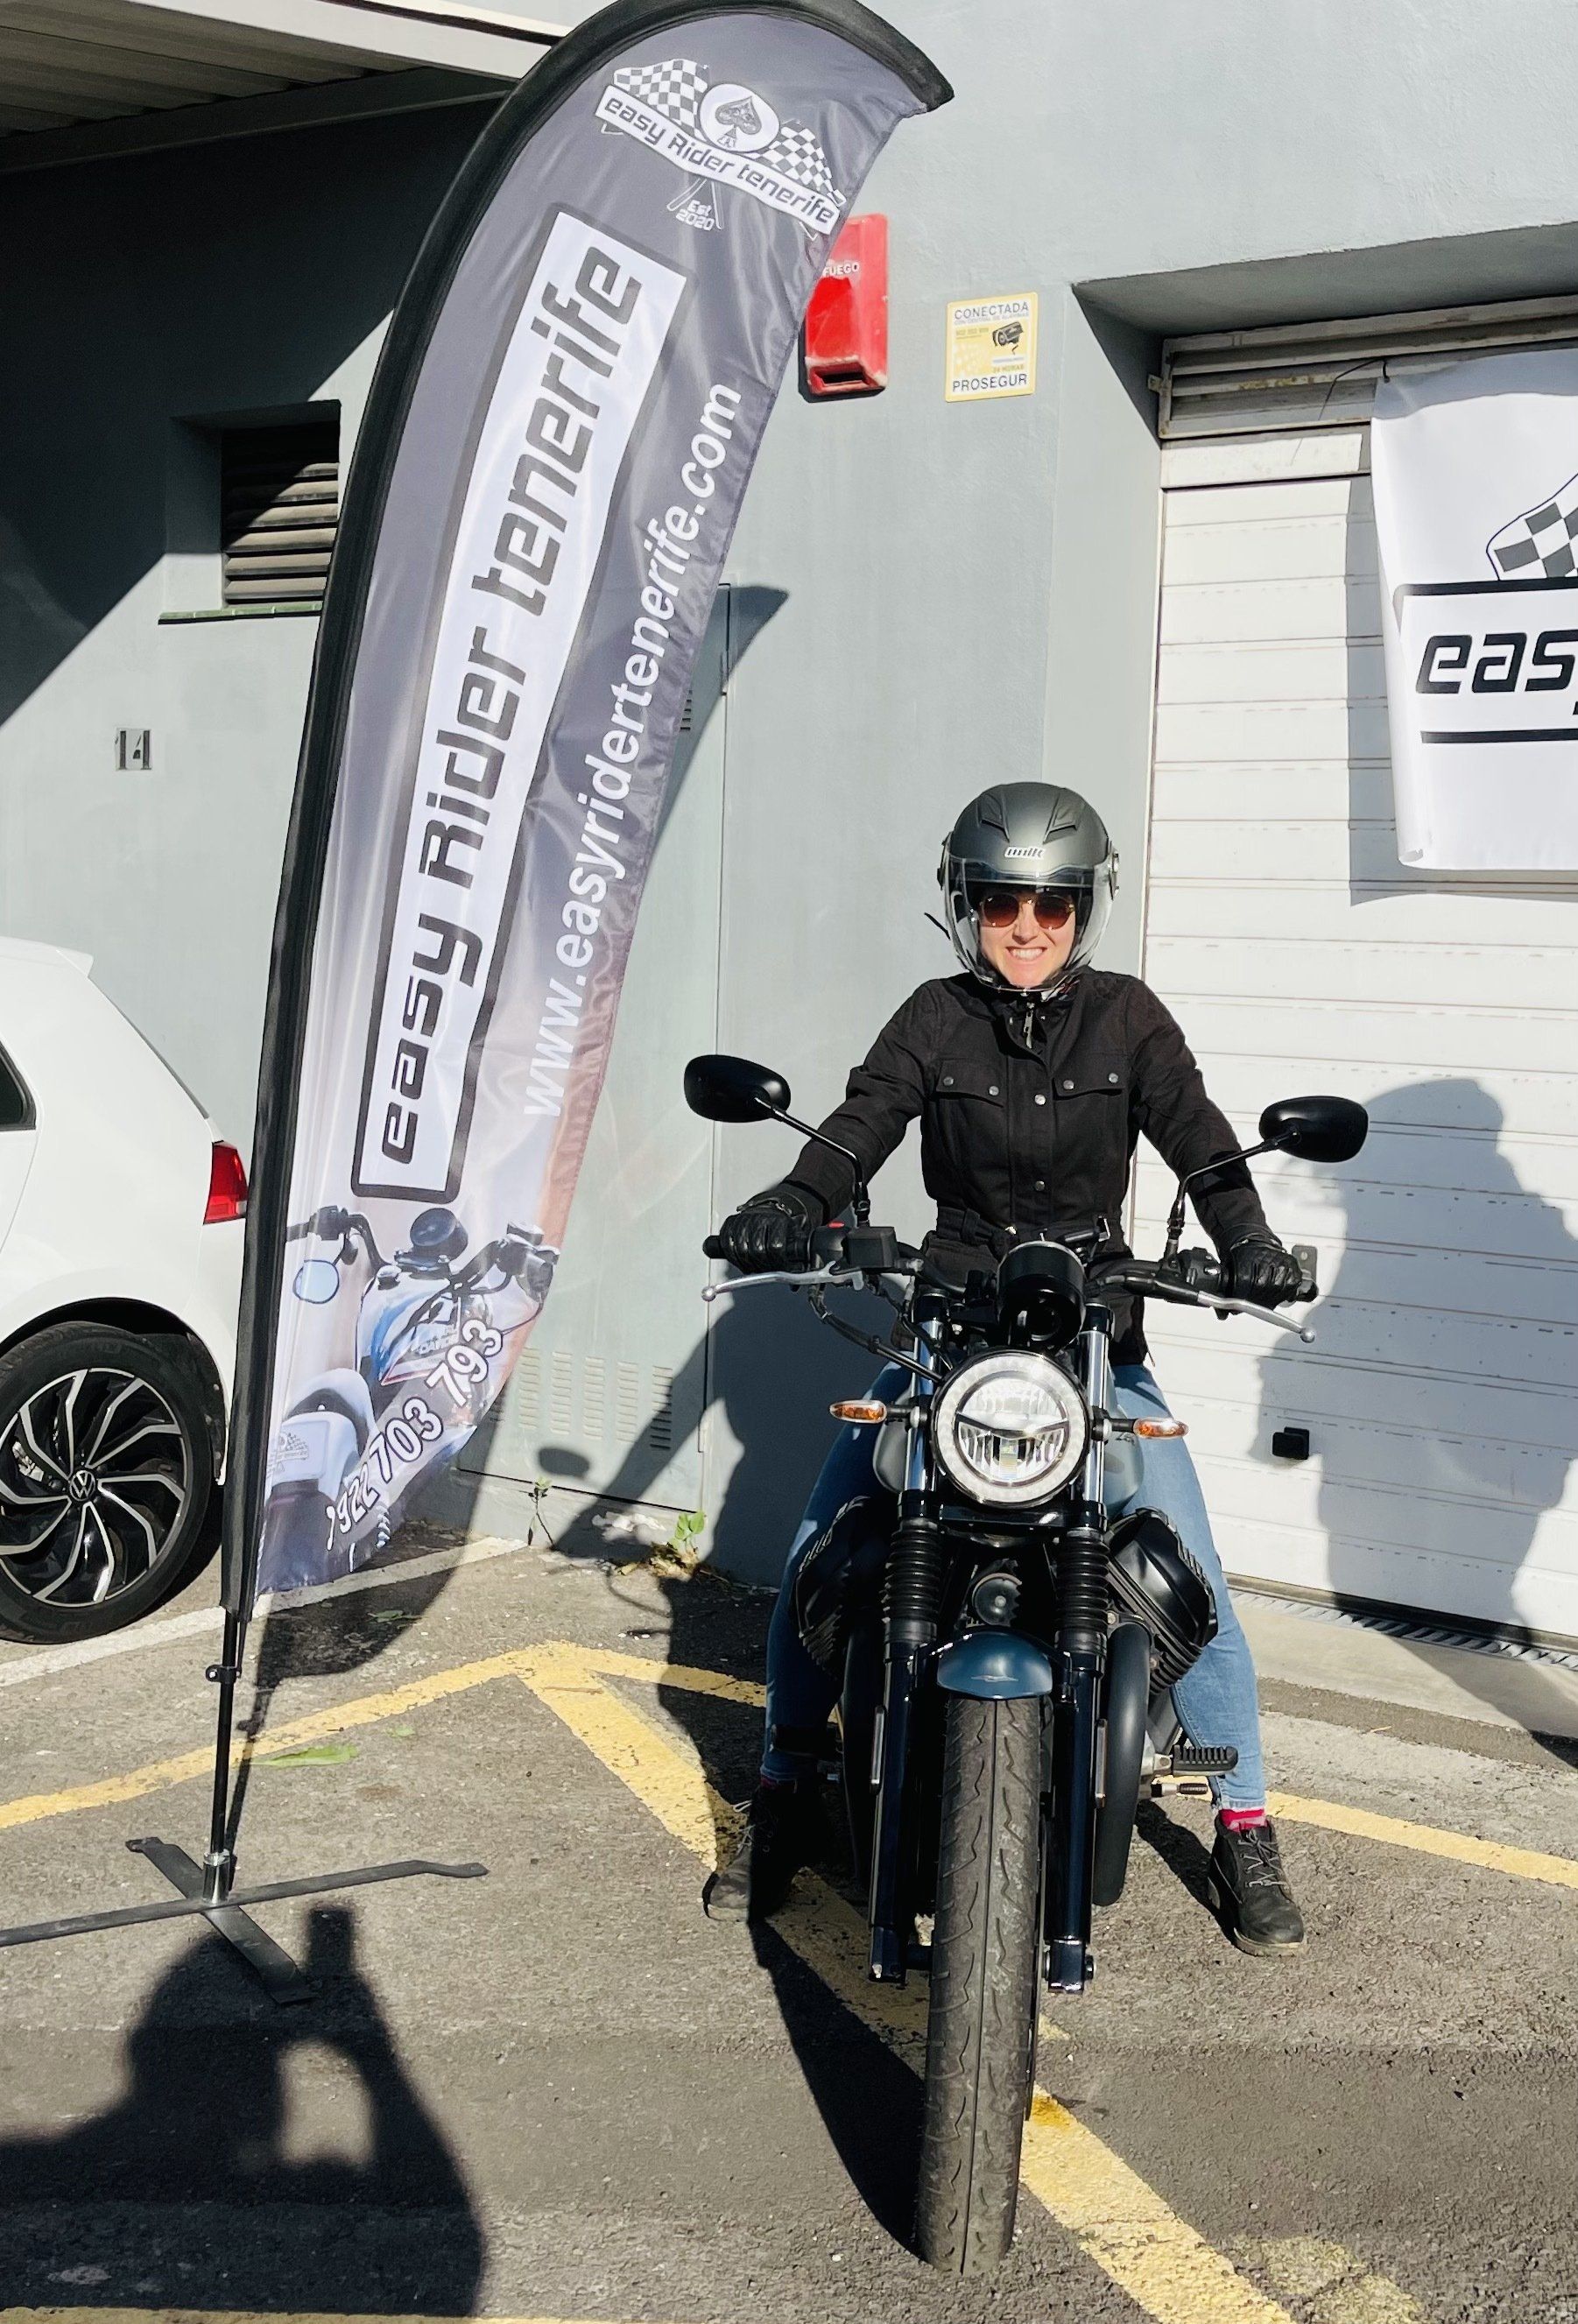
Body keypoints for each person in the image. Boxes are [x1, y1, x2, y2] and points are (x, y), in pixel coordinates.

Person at [702, 781, 1307, 1958]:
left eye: (1050, 901)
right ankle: (779, 1790)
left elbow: (1205, 1146)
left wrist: (1252, 1248)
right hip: (948, 1342)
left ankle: (1244, 1823)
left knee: (1199, 1584)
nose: (1025, 923)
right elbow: (854, 1126)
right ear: (963, 901)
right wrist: (790, 1201)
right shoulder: (930, 1019)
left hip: (1093, 1346)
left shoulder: (1130, 1021)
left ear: (1084, 907)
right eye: (998, 899)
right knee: (816, 1556)